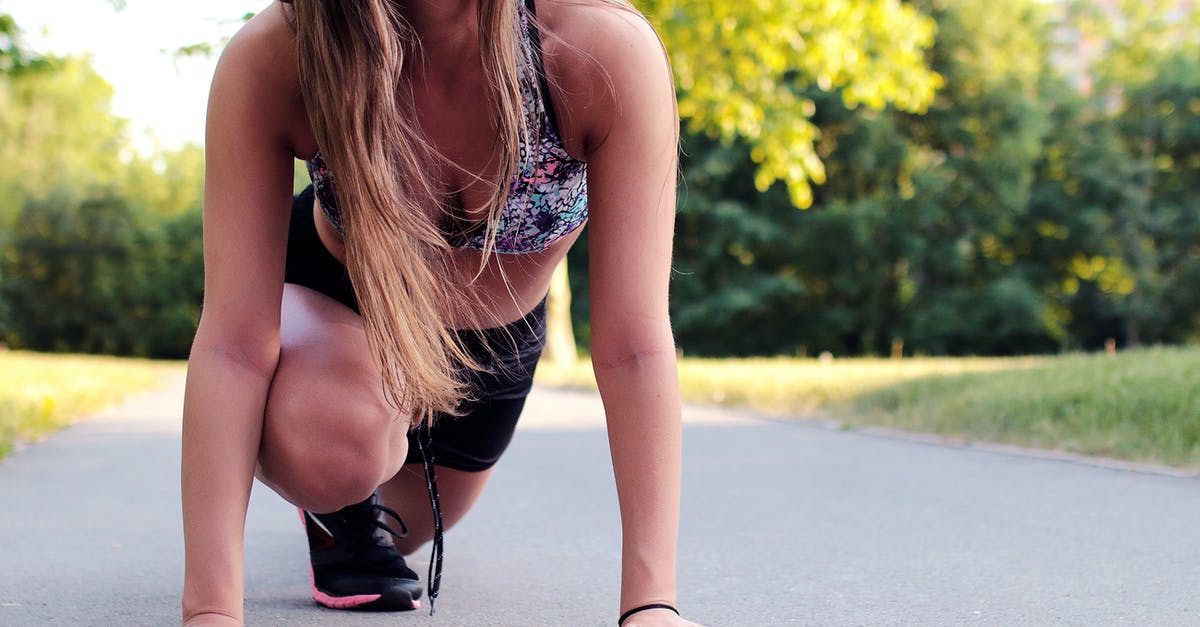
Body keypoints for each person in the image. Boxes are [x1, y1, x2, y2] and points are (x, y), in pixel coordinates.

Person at [182, 0, 697, 625]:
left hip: (491, 345)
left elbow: (634, 347)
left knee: (416, 526)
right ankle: (338, 487)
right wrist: (210, 613)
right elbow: (233, 347)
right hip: (337, 301)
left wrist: (651, 607)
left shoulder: (599, 50)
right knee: (340, 449)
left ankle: (346, 512)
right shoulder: (283, 49)